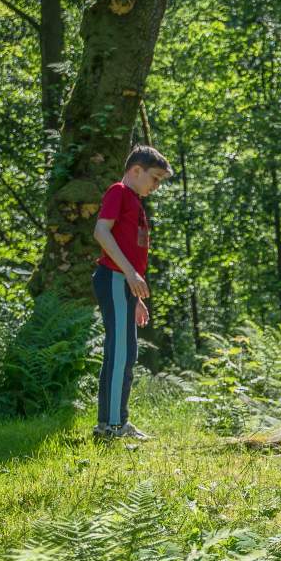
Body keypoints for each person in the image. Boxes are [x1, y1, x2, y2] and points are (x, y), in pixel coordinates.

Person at [91, 145, 171, 439]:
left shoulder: (134, 201)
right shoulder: (118, 192)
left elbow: (129, 247)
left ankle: (115, 421)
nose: (156, 186)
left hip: (122, 283)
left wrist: (135, 298)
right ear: (136, 170)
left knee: (125, 352)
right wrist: (129, 274)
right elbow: (101, 232)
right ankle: (111, 426)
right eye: (155, 178)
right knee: (120, 352)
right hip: (113, 278)